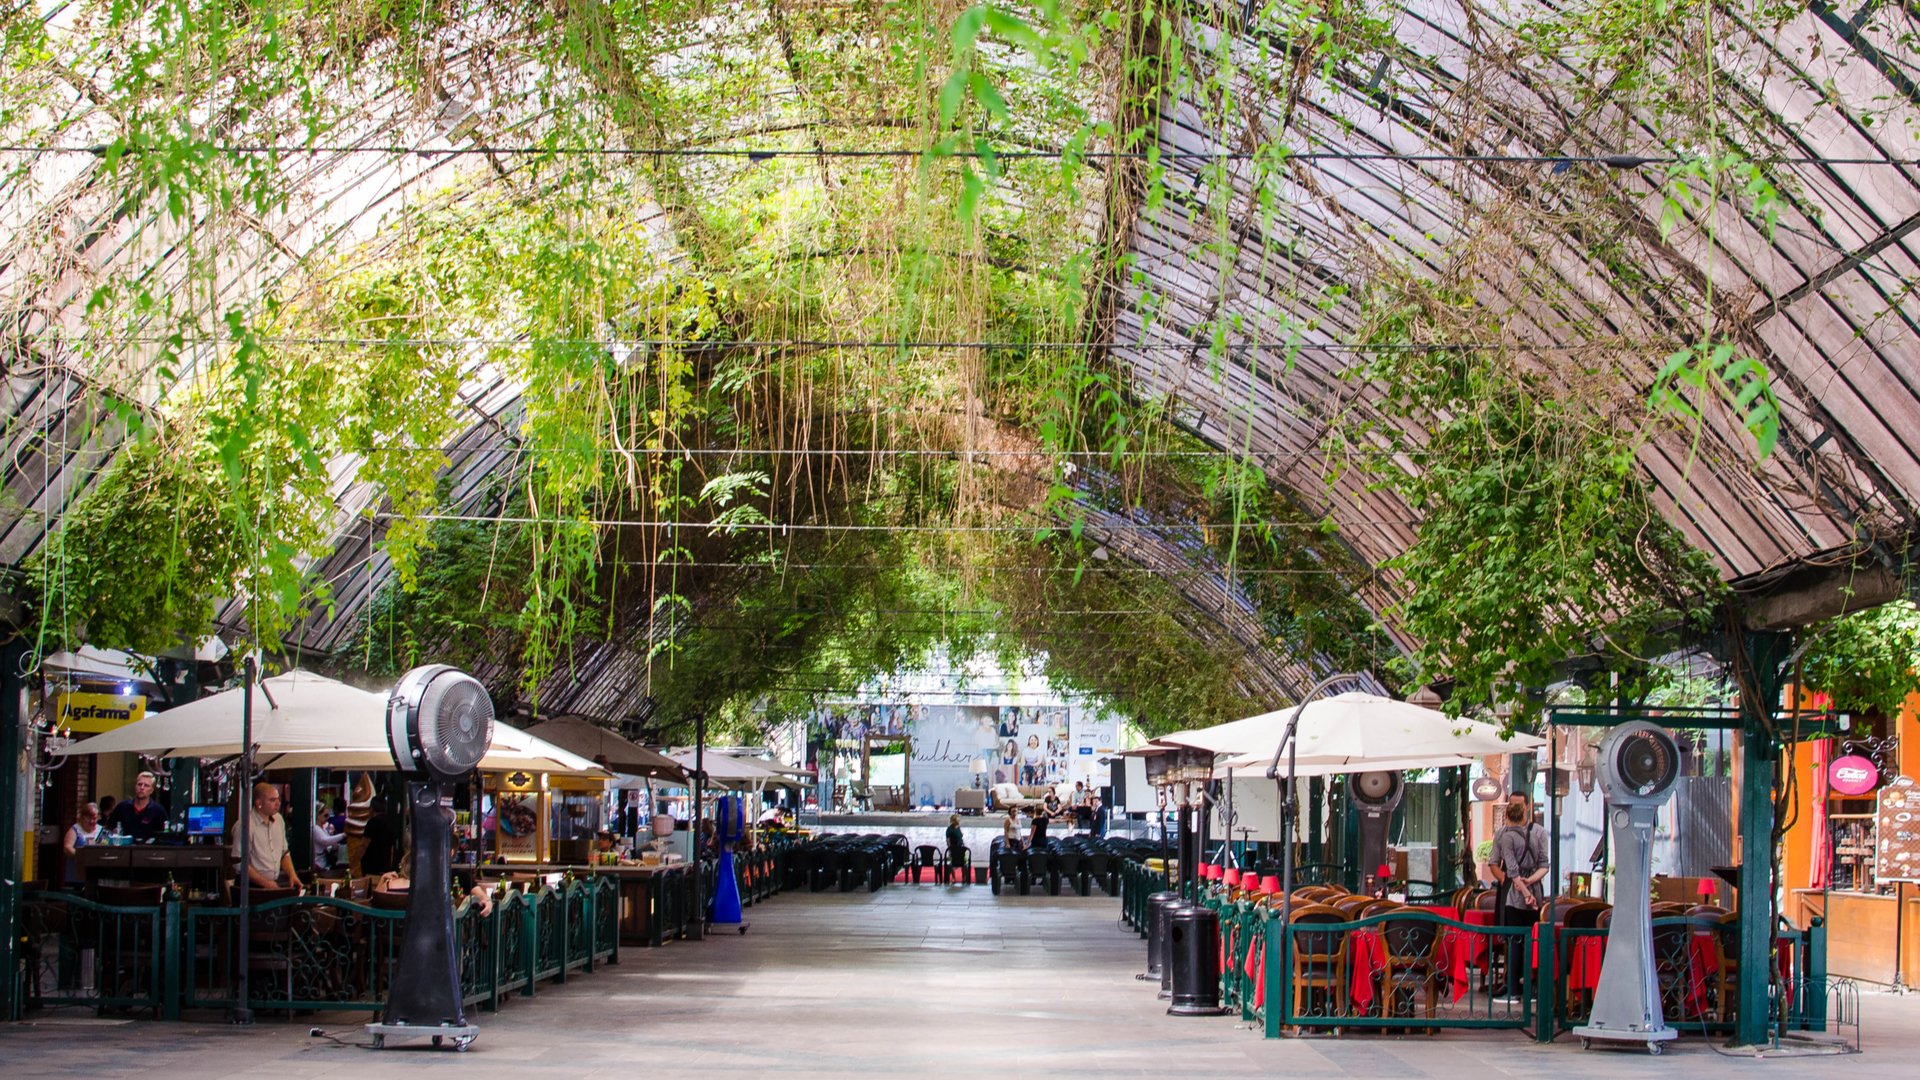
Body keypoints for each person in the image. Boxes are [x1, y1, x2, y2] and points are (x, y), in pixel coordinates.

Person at [1491, 795, 1548, 1000]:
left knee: (1515, 940)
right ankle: (1530, 988)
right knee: (1532, 940)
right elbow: (1544, 864)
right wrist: (1531, 882)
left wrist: (1519, 885)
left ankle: (1514, 990)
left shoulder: (1506, 835)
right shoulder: (1538, 834)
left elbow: (1510, 869)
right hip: (1533, 890)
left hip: (1516, 892)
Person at [236, 782, 301, 890]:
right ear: (259, 803)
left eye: (278, 799)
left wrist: (292, 875)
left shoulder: (279, 820)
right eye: (272, 800)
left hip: (273, 884)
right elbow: (240, 863)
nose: (278, 803)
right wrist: (265, 883)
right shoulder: (244, 825)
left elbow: (284, 853)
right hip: (250, 888)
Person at [104, 771, 168, 841]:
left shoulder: (158, 811)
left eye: (146, 785)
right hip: (124, 850)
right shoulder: (122, 807)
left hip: (147, 850)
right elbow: (108, 829)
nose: (142, 787)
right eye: (139, 784)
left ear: (151, 790)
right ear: (135, 786)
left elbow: (164, 836)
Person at [360, 795, 404, 877]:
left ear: (371, 808)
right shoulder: (390, 823)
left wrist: (354, 864)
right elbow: (391, 849)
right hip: (384, 866)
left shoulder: (372, 822)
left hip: (370, 867)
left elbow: (363, 845)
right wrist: (388, 865)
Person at [63, 801, 103, 884]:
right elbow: (67, 848)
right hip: (76, 877)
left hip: (95, 878)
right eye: (89, 818)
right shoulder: (75, 830)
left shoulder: (101, 831)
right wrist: (81, 855)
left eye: (94, 818)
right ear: (82, 817)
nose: (92, 821)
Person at [945, 813, 967, 881]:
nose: (959, 821)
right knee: (953, 862)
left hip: (961, 846)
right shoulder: (949, 829)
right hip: (954, 847)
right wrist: (950, 849)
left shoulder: (958, 828)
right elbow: (948, 840)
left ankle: (964, 877)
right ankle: (954, 877)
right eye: (958, 819)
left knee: (964, 862)